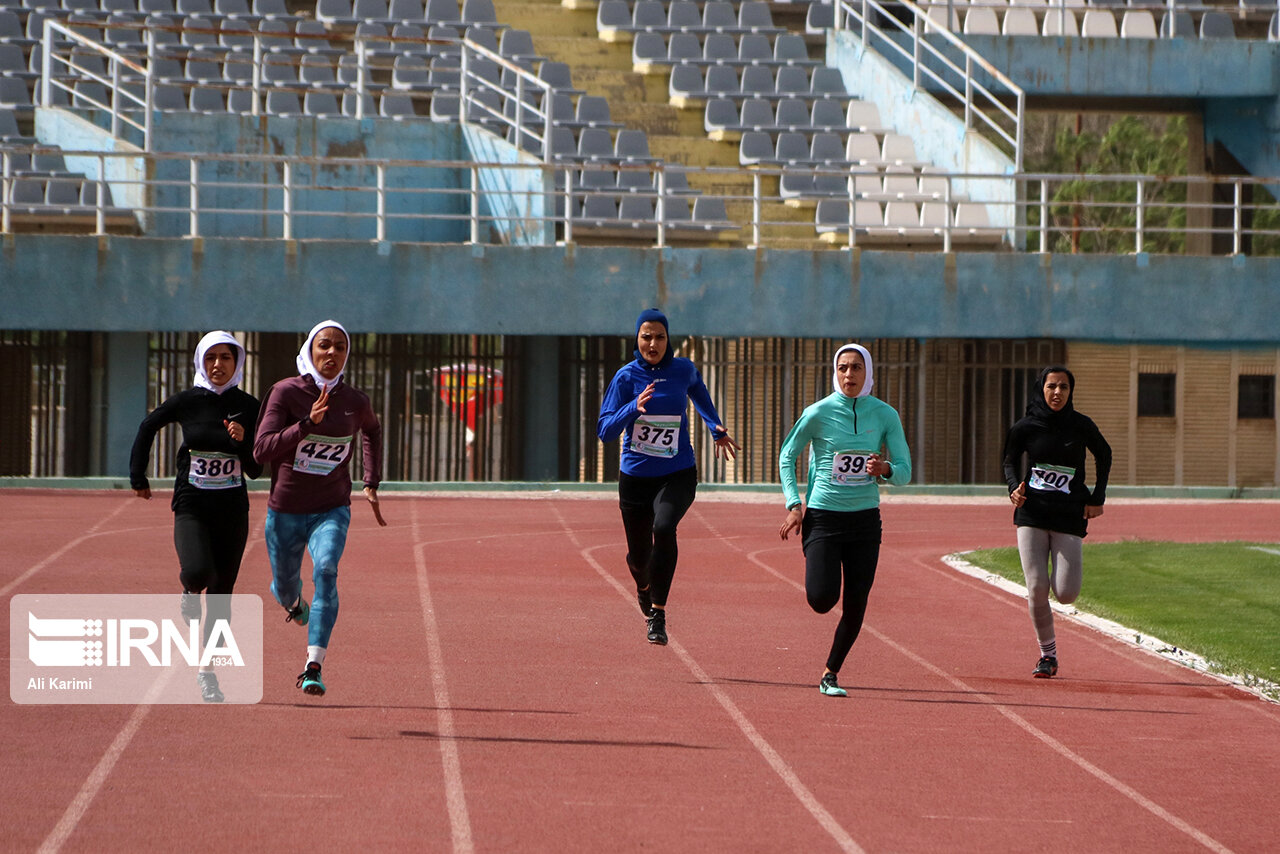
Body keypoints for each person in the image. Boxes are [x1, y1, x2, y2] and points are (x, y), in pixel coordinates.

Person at [129, 331, 262, 703]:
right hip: (192, 504)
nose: (218, 365)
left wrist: (241, 441)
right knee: (199, 572)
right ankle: (188, 588)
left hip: (232, 510)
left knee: (222, 598)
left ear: (238, 363)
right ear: (200, 362)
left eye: (226, 358)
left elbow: (255, 469)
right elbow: (148, 426)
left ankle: (207, 672)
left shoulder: (249, 407)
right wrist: (138, 476)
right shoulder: (187, 401)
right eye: (211, 358)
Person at [253, 320, 385, 697]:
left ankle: (313, 665)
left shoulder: (355, 402)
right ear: (310, 349)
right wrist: (305, 425)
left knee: (326, 570)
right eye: (324, 346)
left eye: (339, 348)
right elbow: (261, 451)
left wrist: (370, 480)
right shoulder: (285, 393)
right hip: (286, 512)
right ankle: (293, 603)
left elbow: (373, 431)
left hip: (331, 508)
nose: (331, 354)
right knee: (284, 587)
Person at [597, 309, 740, 646]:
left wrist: (714, 426)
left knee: (663, 528)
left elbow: (700, 393)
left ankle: (658, 614)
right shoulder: (626, 377)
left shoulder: (683, 370)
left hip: (677, 472)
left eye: (659, 336)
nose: (653, 343)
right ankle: (643, 585)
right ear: (637, 339)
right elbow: (605, 431)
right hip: (635, 478)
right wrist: (633, 407)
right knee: (639, 558)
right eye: (646, 336)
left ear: (668, 340)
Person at [778, 343, 911, 698]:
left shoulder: (885, 415)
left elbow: (905, 471)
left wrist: (885, 469)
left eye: (856, 368)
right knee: (821, 599)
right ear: (835, 373)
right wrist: (794, 504)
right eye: (843, 368)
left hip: (865, 522)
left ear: (868, 373)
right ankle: (819, 571)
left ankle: (830, 673)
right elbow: (787, 454)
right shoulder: (818, 412)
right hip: (823, 517)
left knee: (856, 604)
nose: (849, 375)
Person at [1001, 365, 1112, 679]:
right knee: (1036, 587)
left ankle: (1049, 646)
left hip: (1068, 514)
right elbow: (1009, 459)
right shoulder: (1026, 426)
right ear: (1042, 389)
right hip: (1032, 514)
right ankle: (1047, 656)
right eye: (1052, 386)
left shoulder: (1081, 425)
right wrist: (1013, 489)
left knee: (1065, 593)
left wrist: (1097, 498)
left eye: (1064, 387)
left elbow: (1104, 454)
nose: (1057, 393)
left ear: (1070, 391)